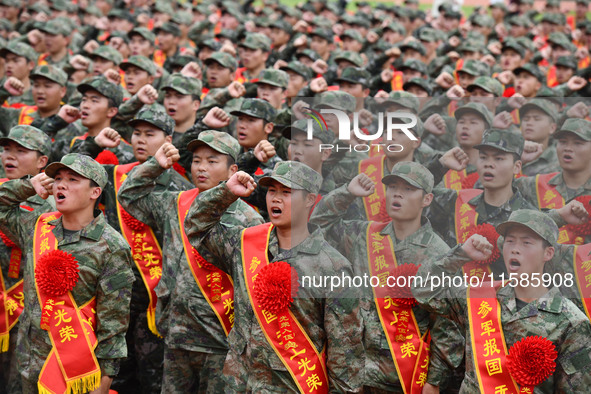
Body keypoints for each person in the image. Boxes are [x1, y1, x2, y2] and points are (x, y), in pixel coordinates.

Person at [184, 161, 364, 392]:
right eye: (272, 191)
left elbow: (345, 355)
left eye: (287, 192)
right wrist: (226, 192)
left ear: (310, 199)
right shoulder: (245, 244)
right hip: (238, 384)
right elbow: (197, 227)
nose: (276, 199)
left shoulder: (332, 267)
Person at [117, 130, 263, 392]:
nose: (202, 168)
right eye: (196, 160)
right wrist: (155, 165)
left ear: (232, 169)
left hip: (220, 338)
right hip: (177, 334)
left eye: (212, 160)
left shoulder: (248, 220)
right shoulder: (177, 202)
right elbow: (129, 196)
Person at [311, 161, 460, 392]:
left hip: (400, 378)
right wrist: (347, 193)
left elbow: (447, 326)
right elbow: (317, 226)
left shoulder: (438, 254)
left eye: (409, 189)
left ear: (427, 199)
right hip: (351, 375)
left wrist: (434, 382)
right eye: (392, 187)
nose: (397, 194)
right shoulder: (365, 234)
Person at [413, 209, 591, 393]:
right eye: (510, 241)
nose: (515, 248)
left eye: (526, 242)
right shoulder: (480, 295)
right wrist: (461, 254)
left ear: (548, 253)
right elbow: (423, 290)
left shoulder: (571, 322)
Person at [0, 153, 134, 393]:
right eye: (58, 178)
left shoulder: (111, 246)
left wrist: (104, 384)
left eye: (73, 179)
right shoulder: (37, 226)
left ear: (95, 192)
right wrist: (27, 186)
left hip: (72, 370)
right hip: (28, 361)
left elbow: (113, 324)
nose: (61, 184)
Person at [0, 125, 54, 394]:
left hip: (30, 313)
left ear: (42, 162)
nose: (10, 156)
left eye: (20, 151)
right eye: (6, 149)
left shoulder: (55, 204)